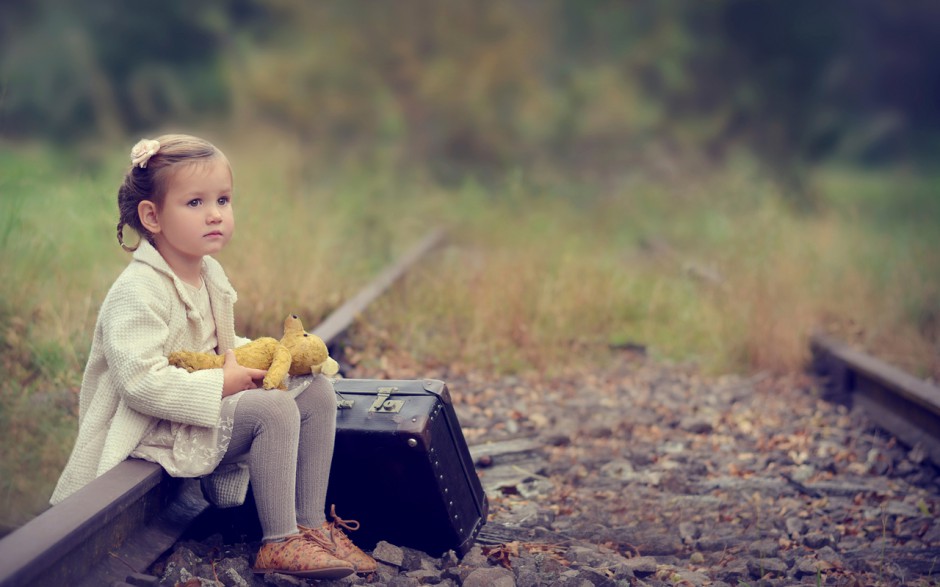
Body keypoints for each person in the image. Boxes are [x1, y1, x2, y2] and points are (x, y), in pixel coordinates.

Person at [50, 134, 377, 579]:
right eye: (195, 203)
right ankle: (279, 541)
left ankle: (312, 524)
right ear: (152, 216)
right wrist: (223, 383)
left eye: (223, 200)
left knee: (317, 390)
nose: (215, 214)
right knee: (273, 408)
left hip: (195, 402)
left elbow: (215, 346)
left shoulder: (208, 272)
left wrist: (264, 357)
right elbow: (141, 383)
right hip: (149, 423)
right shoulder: (137, 291)